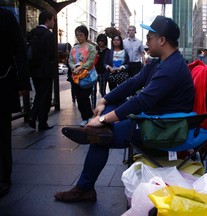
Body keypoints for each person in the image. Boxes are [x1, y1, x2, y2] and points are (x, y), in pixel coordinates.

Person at [54, 15, 195, 203]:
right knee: (109, 110)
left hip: (164, 127)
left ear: (162, 41)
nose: (146, 42)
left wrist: (104, 120)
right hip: (154, 119)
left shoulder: (172, 68)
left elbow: (141, 101)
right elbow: (133, 83)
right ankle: (92, 128)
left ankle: (84, 188)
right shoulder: (159, 62)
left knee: (100, 137)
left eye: (150, 38)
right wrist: (104, 99)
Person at [0, 8, 31, 198]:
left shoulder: (6, 16)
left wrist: (23, 80)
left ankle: (4, 176)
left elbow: (20, 49)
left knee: (2, 131)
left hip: (2, 80)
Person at [28, 10, 56, 131]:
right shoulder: (48, 35)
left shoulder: (32, 33)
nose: (53, 23)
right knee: (45, 96)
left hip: (34, 71)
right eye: (53, 20)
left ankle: (33, 116)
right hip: (45, 71)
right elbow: (51, 54)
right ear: (48, 19)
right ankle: (42, 122)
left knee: (39, 94)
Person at [68, 25, 97, 127]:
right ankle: (84, 117)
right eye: (77, 35)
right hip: (76, 77)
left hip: (87, 76)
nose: (79, 37)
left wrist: (80, 68)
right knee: (79, 98)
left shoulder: (91, 48)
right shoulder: (74, 48)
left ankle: (89, 116)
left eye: (81, 35)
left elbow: (90, 61)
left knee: (84, 97)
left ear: (85, 35)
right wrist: (74, 68)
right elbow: (70, 60)